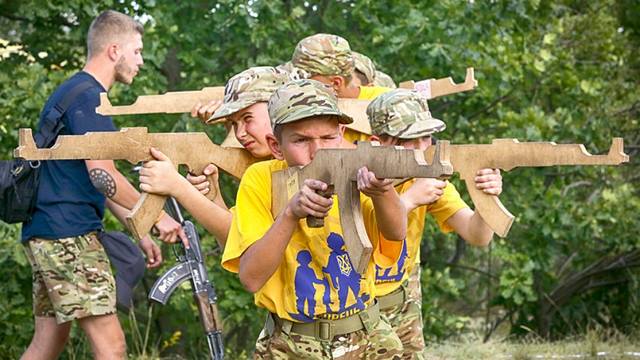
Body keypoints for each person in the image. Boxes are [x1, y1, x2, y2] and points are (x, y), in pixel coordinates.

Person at [20, 10, 184, 360]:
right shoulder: (88, 98)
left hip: (47, 229)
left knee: (47, 344)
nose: (140, 61)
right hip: (69, 235)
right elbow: (102, 173)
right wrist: (156, 216)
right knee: (112, 346)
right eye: (136, 51)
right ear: (114, 50)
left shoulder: (75, 93)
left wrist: (138, 228)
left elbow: (93, 180)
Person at [221, 79, 406, 359]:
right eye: (301, 140)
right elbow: (251, 278)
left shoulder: (359, 168)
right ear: (275, 145)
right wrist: (290, 214)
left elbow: (396, 232)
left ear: (342, 132)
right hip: (291, 343)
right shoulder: (261, 181)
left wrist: (382, 192)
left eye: (328, 138)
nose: (317, 150)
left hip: (367, 335)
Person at [366, 89, 503, 359]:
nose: (422, 149)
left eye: (426, 138)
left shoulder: (429, 179)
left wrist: (486, 198)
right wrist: (409, 200)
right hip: (354, 307)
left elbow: (477, 235)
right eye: (409, 140)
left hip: (401, 302)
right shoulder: (358, 179)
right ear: (377, 142)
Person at [139, 67, 291, 245]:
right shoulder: (264, 172)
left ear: (278, 110)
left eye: (248, 119)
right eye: (234, 123)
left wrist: (178, 187)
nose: (240, 133)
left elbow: (253, 245)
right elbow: (239, 245)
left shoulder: (300, 164)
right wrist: (214, 197)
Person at [291, 33, 393, 145]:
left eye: (306, 83)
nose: (299, 88)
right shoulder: (295, 104)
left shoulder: (390, 103)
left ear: (336, 83)